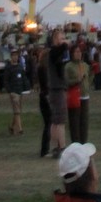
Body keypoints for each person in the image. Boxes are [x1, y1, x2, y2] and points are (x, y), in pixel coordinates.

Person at [45, 30, 70, 158]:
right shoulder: (54, 52)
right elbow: (59, 51)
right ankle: (62, 147)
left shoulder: (57, 53)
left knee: (55, 121)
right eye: (61, 38)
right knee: (60, 120)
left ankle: (55, 147)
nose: (64, 41)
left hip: (57, 87)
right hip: (56, 88)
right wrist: (65, 45)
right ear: (55, 39)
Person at [65, 42, 93, 144]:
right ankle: (76, 143)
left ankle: (84, 142)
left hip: (85, 95)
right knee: (75, 121)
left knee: (84, 121)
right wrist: (77, 80)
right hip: (75, 96)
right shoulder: (68, 66)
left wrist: (91, 77)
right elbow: (66, 82)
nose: (78, 54)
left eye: (80, 52)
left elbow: (89, 78)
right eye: (76, 52)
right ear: (72, 53)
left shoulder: (85, 65)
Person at [4, 46, 30, 134]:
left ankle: (12, 127)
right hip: (13, 91)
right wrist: (9, 90)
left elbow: (24, 78)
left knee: (17, 110)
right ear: (11, 56)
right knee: (17, 111)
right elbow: (6, 80)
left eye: (16, 55)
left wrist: (27, 87)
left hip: (20, 90)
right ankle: (20, 129)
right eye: (13, 55)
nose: (15, 57)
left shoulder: (19, 67)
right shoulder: (8, 67)